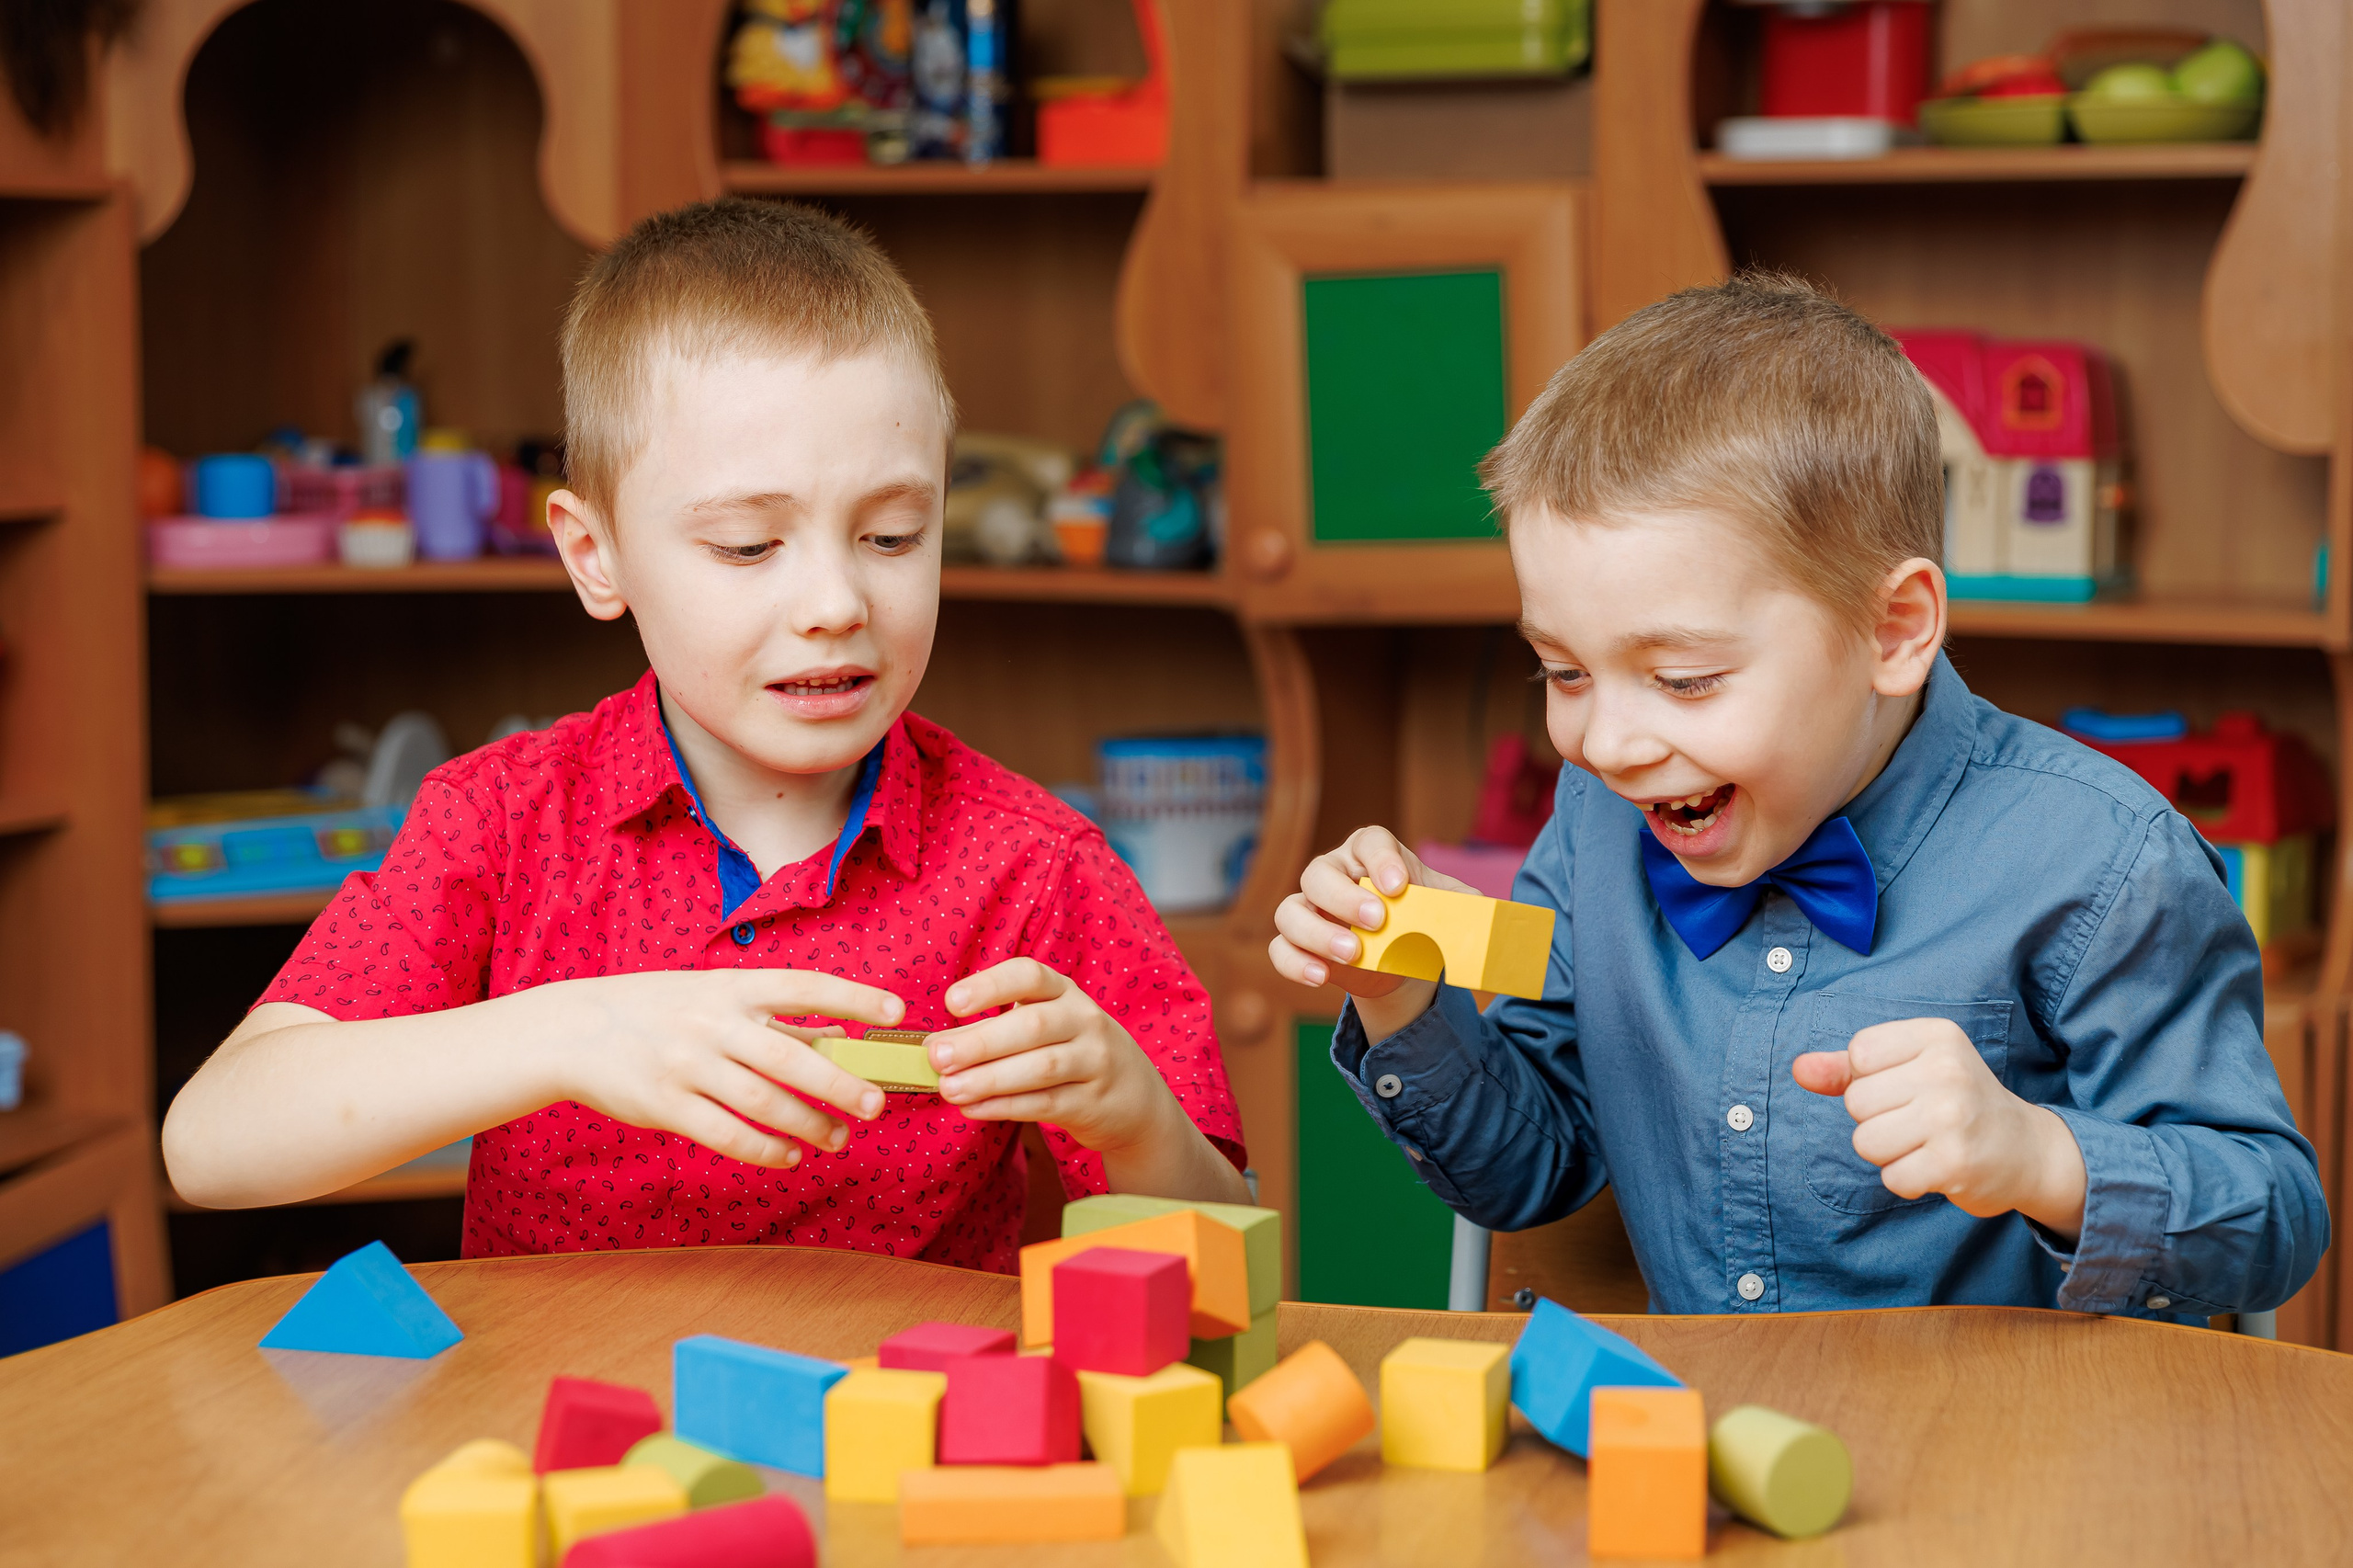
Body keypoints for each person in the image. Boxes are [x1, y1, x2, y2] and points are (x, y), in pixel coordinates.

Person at [164, 199, 1249, 1267]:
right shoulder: (501, 821)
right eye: (745, 545)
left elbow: (1229, 1267)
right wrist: (568, 1034)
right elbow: (213, 1144)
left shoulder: (1033, 865)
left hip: (900, 1438)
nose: (836, 599)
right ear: (597, 556)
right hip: (562, 1435)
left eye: (890, 533)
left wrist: (1136, 1117)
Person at [1269, 274, 2325, 1320]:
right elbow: (1527, 1173)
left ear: (1893, 631)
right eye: (1563, 671)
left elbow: (2272, 1214)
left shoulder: (2101, 861)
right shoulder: (1593, 823)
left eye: (1684, 679)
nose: (1607, 743)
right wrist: (1400, 993)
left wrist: (2039, 1155)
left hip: (2018, 1457)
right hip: (1704, 1444)